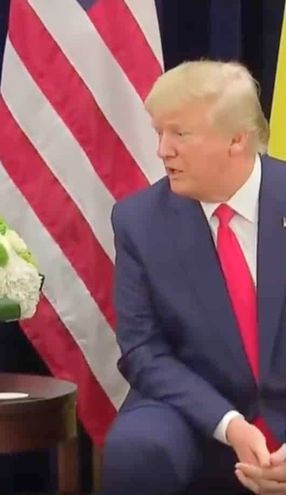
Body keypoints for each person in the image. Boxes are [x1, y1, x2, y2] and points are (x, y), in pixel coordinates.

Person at [101, 60, 286, 494]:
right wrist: (229, 424)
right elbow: (143, 349)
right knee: (137, 449)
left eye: (179, 134)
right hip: (195, 413)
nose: (163, 151)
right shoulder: (139, 221)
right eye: (159, 133)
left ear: (236, 139)